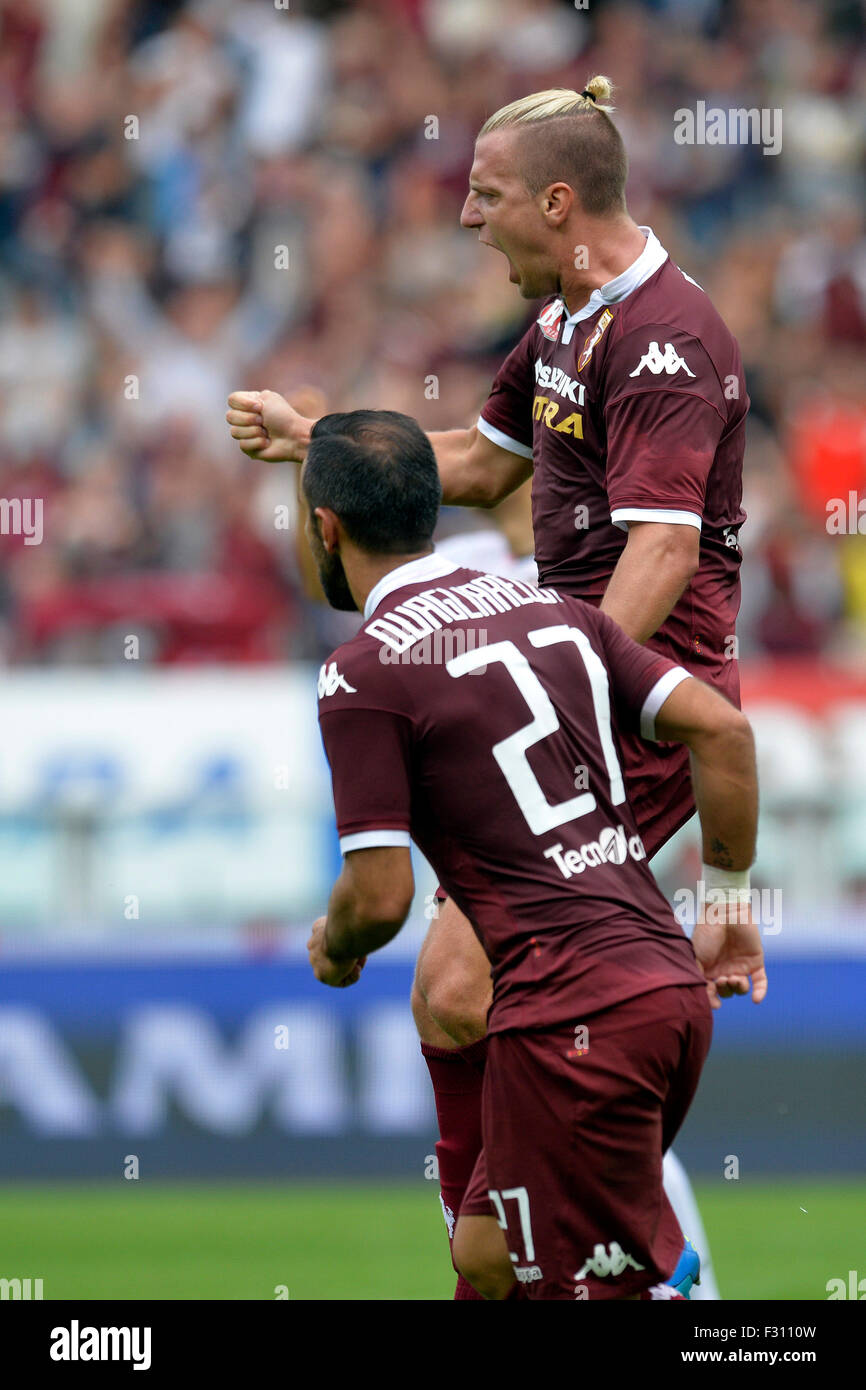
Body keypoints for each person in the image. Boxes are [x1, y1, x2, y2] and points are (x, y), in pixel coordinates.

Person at [226, 76, 748, 1298]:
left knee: (469, 983)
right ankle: (499, 1242)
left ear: (558, 201)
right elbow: (468, 462)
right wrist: (325, 444)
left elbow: (661, 551)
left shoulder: (665, 337)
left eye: (487, 193)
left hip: (634, 708)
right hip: (583, 685)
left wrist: (571, 691)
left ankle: (619, 1266)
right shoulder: (567, 322)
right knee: (462, 997)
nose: (467, 217)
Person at [301, 407, 764, 1300]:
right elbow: (725, 729)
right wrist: (730, 902)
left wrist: (338, 945)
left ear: (327, 526)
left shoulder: (362, 672)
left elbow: (382, 893)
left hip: (568, 1014)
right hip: (660, 989)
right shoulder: (556, 613)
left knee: (585, 1287)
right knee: (484, 1253)